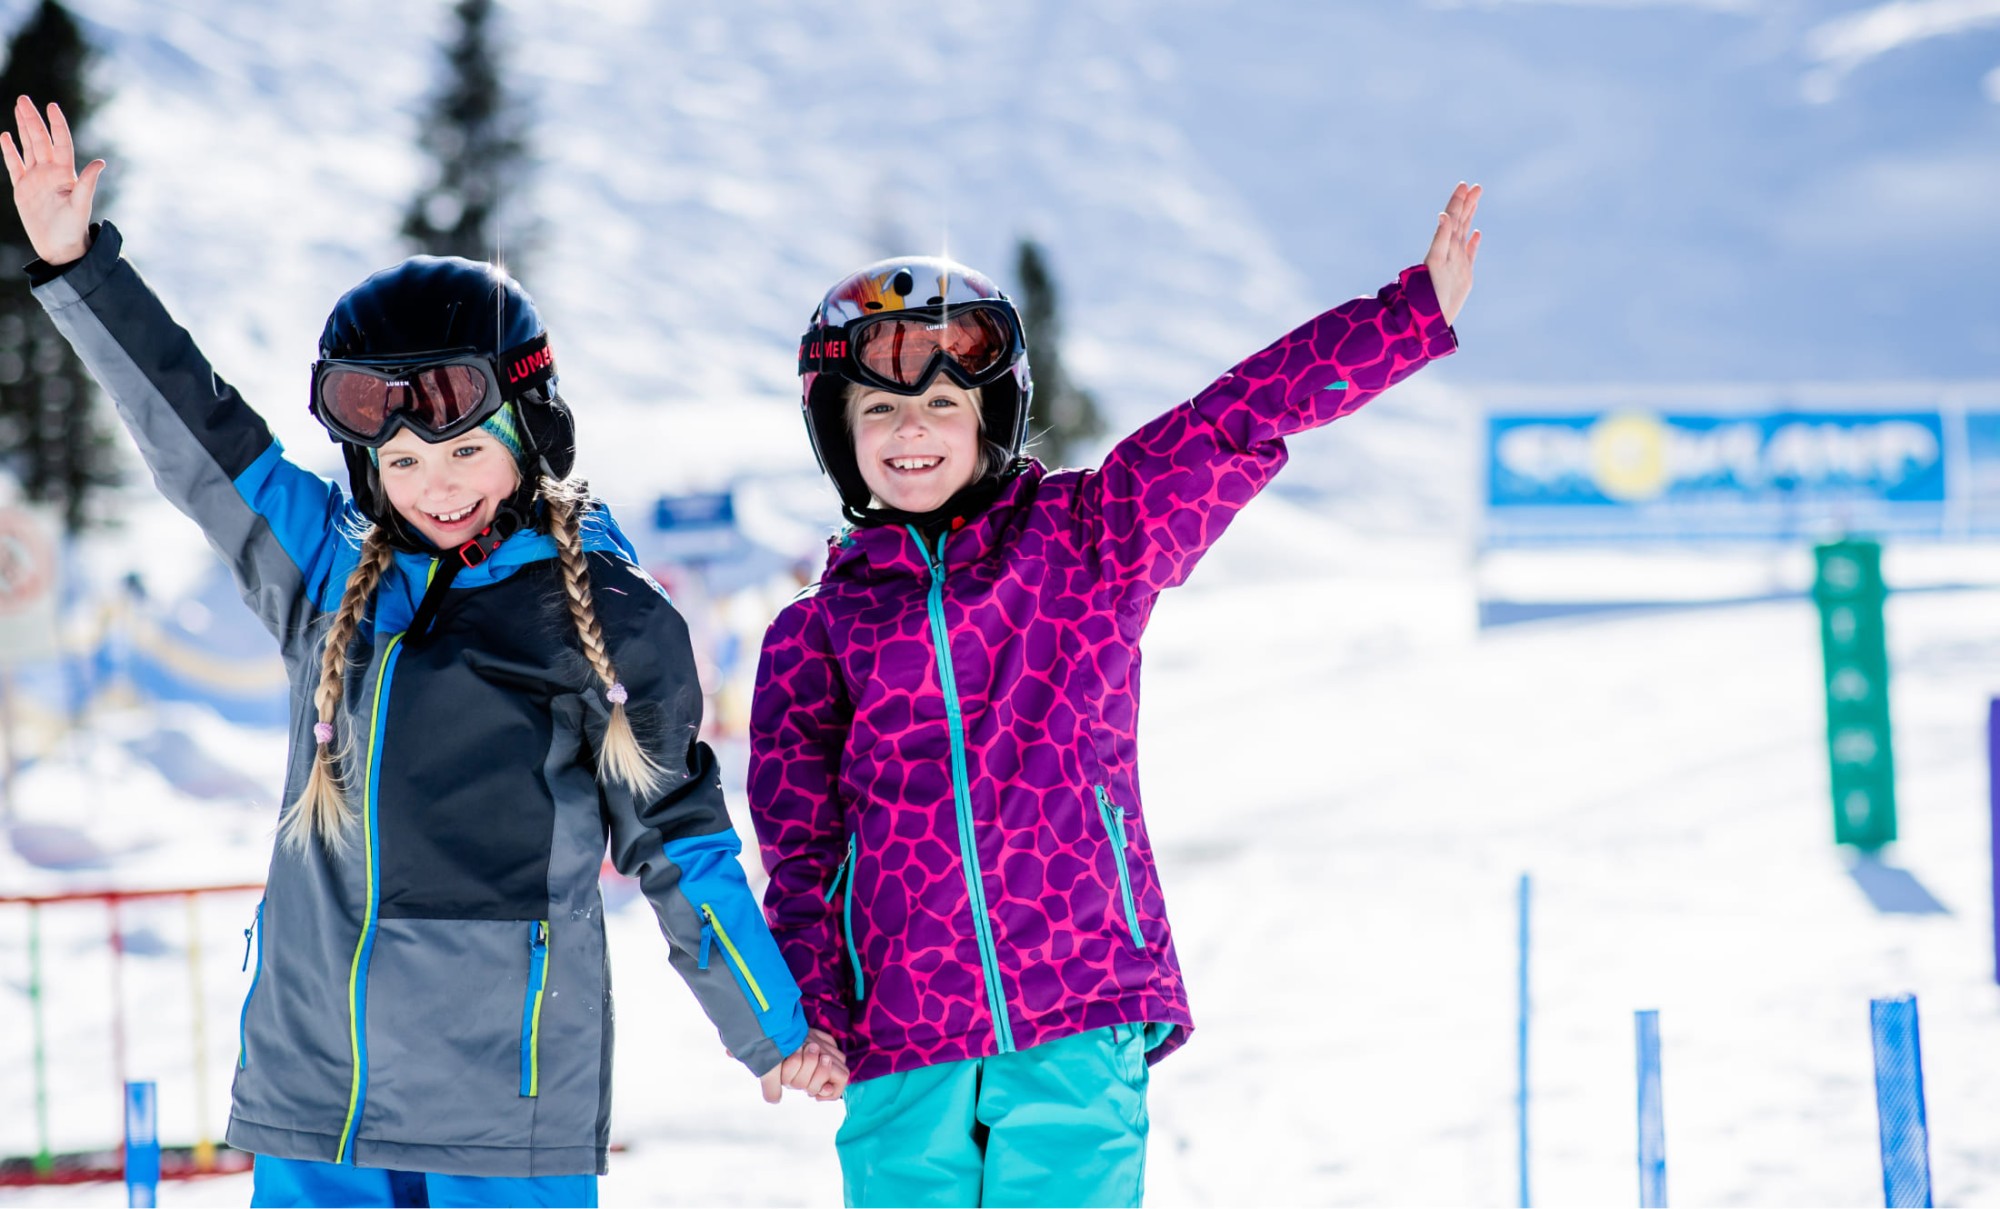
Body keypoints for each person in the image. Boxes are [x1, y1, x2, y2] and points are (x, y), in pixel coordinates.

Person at [3, 95, 843, 1209]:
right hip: (316, 1092)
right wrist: (78, 267)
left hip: (498, 1112)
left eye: (458, 454)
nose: (431, 487)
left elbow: (678, 841)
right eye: (398, 465)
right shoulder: (327, 574)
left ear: (529, 435)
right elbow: (200, 437)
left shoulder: (605, 616)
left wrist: (770, 1028)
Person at [750, 182, 1481, 1206]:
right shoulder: (815, 636)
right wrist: (809, 1011)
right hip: (902, 1036)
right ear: (839, 431)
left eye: (939, 405)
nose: (909, 430)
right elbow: (800, 848)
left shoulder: (1090, 543)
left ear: (988, 415)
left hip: (1077, 1006)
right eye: (878, 408)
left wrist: (1405, 318)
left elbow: (1232, 422)